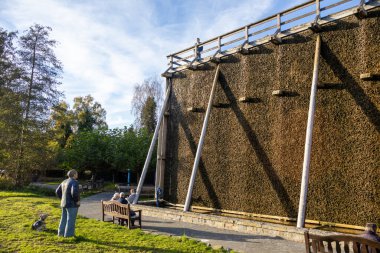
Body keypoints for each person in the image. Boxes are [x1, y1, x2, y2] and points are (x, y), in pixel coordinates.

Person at [56, 169, 80, 237]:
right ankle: (69, 235)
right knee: (71, 220)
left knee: (63, 218)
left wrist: (62, 199)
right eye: (77, 174)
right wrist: (77, 201)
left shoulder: (64, 181)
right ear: (74, 174)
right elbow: (74, 192)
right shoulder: (75, 182)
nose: (77, 175)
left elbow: (57, 191)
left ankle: (60, 233)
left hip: (64, 203)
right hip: (72, 204)